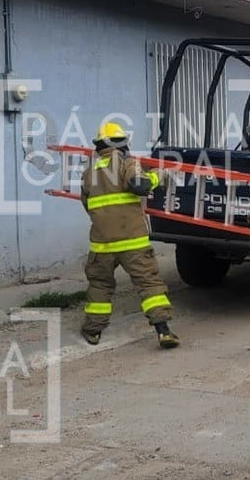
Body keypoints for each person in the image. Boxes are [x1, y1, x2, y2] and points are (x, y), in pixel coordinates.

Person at [79, 122, 179, 349]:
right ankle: (163, 331)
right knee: (149, 284)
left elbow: (87, 205)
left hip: (102, 245)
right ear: (123, 145)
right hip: (133, 242)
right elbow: (139, 185)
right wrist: (157, 177)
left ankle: (92, 331)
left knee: (100, 286)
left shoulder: (88, 173)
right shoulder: (127, 163)